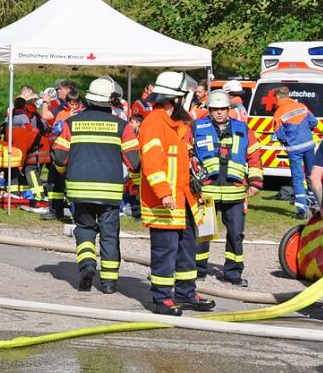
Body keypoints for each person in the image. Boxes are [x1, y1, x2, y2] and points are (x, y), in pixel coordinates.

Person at [51, 77, 140, 294]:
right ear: (110, 101)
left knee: (84, 229)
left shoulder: (72, 123)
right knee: (109, 234)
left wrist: (65, 175)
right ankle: (109, 283)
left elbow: (60, 157)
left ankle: (88, 266)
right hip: (109, 191)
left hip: (78, 190)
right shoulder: (123, 126)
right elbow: (134, 162)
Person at [139, 71, 215, 316]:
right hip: (165, 201)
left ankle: (185, 293)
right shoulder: (154, 123)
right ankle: (161, 298)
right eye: (186, 98)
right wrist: (164, 193)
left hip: (184, 199)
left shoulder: (179, 126)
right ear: (175, 99)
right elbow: (152, 163)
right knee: (165, 250)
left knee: (186, 248)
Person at [192, 90, 263, 286]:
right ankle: (198, 270)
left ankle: (233, 273)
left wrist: (255, 181)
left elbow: (254, 156)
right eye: (215, 109)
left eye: (223, 109)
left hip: (235, 192)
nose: (219, 113)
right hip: (206, 191)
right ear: (209, 110)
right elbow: (187, 151)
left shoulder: (243, 129)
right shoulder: (197, 128)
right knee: (204, 233)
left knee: (236, 234)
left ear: (229, 109)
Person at [272, 86, 319, 218]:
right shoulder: (302, 106)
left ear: (278, 97)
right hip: (309, 145)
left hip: (294, 149)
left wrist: (289, 139)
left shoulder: (279, 112)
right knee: (312, 176)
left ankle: (302, 211)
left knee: (298, 179)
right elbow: (313, 122)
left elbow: (279, 134)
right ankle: (316, 205)